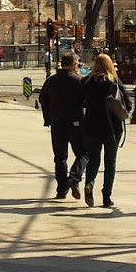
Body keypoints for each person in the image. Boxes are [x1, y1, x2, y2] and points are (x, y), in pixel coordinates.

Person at [81, 54, 129, 209]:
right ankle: (106, 197)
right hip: (112, 128)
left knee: (93, 159)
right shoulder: (114, 82)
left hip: (91, 127)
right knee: (110, 162)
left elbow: (80, 102)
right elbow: (128, 104)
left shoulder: (86, 82)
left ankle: (89, 184)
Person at [39, 52, 86, 200]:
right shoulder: (79, 81)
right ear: (73, 65)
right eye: (77, 63)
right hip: (75, 122)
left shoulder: (51, 81)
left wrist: (48, 118)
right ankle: (74, 177)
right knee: (84, 153)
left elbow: (43, 99)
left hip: (57, 122)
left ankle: (61, 189)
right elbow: (86, 101)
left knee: (60, 157)